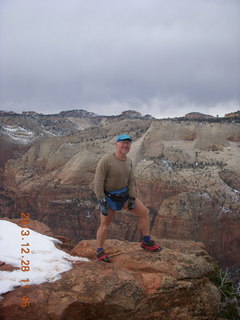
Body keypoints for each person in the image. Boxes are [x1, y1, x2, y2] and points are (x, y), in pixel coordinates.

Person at [94, 134, 161, 262]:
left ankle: (146, 242)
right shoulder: (106, 160)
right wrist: (102, 200)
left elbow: (131, 180)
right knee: (104, 225)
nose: (125, 145)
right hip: (109, 198)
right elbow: (98, 182)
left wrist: (131, 197)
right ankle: (99, 251)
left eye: (128, 143)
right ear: (116, 144)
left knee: (144, 212)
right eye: (123, 143)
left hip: (124, 195)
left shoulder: (129, 161)